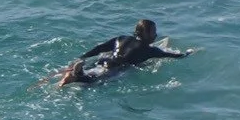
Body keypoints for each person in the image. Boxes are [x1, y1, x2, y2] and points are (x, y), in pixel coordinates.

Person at [53, 18, 190, 88]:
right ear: (146, 34)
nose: (155, 35)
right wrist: (188, 53)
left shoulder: (121, 38)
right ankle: (78, 76)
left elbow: (100, 48)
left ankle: (78, 72)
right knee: (96, 81)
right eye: (153, 32)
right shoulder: (150, 50)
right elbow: (175, 56)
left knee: (95, 70)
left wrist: (83, 57)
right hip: (116, 67)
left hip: (104, 60)